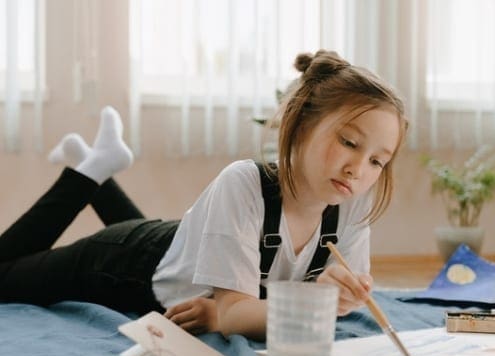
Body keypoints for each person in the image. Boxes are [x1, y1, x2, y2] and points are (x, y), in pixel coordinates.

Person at [0, 50, 407, 340]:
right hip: (128, 263)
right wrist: (241, 312)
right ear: (299, 126)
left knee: (182, 251)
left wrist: (342, 295)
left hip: (188, 249)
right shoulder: (243, 183)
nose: (359, 169)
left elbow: (259, 308)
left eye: (378, 161)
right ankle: (86, 174)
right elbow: (238, 313)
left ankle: (102, 171)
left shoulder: (353, 204)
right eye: (350, 142)